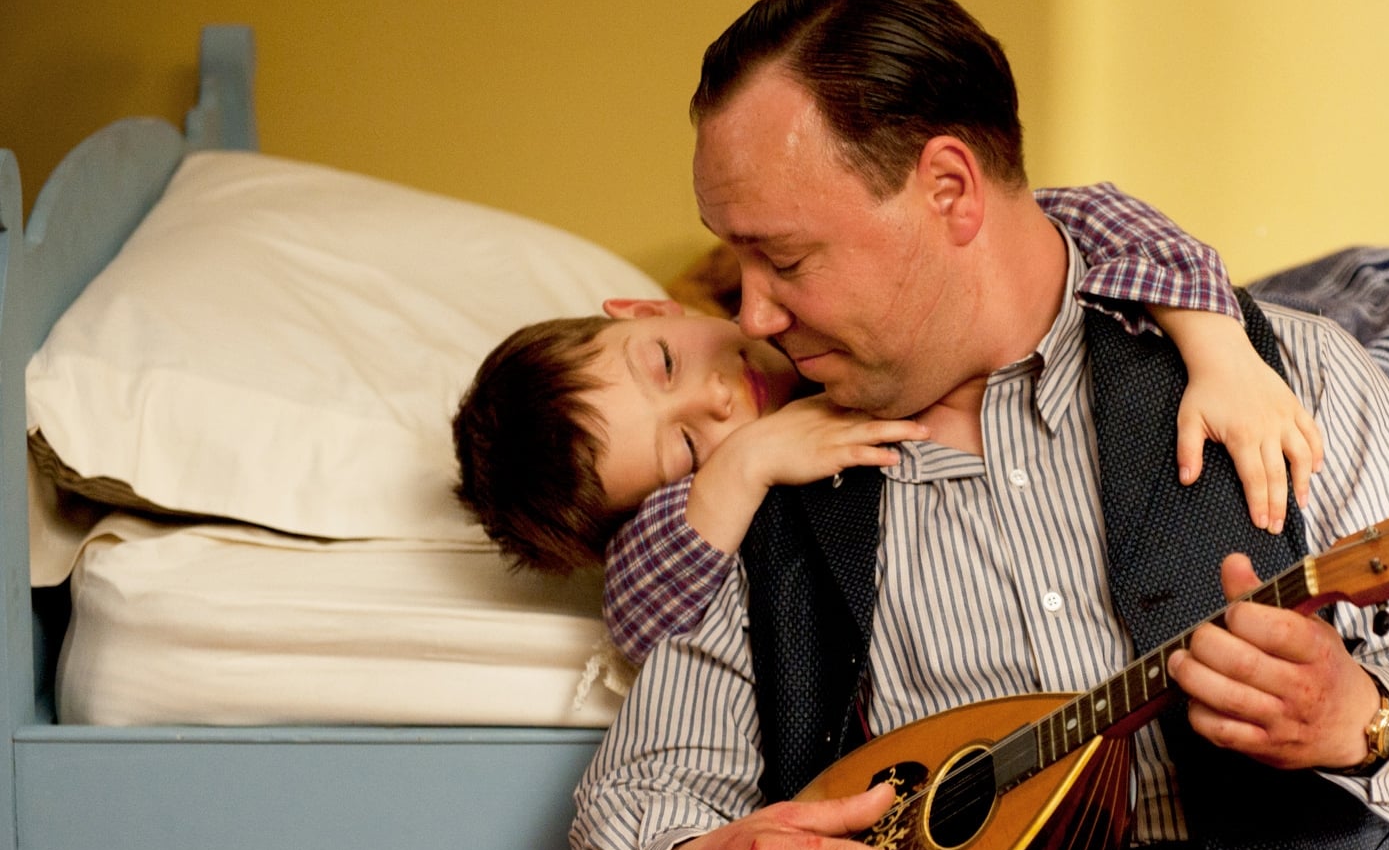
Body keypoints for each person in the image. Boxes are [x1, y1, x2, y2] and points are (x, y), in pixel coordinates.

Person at [570, 0, 1389, 850]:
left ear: (950, 189)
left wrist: (1361, 719)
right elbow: (634, 801)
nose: (754, 315)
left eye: (786, 258)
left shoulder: (1283, 377)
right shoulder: (759, 479)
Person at [452, 184, 1324, 584]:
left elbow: (1072, 217)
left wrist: (1221, 350)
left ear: (647, 310)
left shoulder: (785, 286)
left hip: (1204, 306)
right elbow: (640, 609)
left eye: (666, 365)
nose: (716, 400)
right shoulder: (732, 503)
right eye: (686, 447)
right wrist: (743, 464)